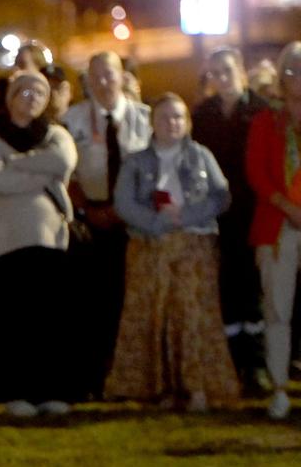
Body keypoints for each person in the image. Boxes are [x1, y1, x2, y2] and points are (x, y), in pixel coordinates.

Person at [106, 93, 238, 411]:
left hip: (195, 245)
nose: (172, 123)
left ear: (187, 122)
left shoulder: (201, 156)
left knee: (193, 316)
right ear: (153, 123)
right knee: (156, 316)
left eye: (178, 117)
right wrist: (155, 223)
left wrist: (190, 215)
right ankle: (159, 387)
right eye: (165, 117)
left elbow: (221, 196)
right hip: (149, 247)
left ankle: (197, 387)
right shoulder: (136, 162)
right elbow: (123, 203)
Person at [0, 70, 78, 417]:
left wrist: (16, 165)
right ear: (11, 97)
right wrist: (37, 172)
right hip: (5, 240)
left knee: (50, 317)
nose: (31, 98)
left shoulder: (55, 135)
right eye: (24, 91)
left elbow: (62, 162)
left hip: (49, 238)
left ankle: (51, 389)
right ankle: (16, 390)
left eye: (38, 92)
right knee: (14, 317)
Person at [62, 51, 152, 400]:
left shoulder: (144, 118)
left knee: (130, 300)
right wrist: (87, 209)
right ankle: (92, 377)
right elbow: (66, 172)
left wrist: (125, 209)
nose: (103, 82)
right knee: (92, 302)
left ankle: (131, 376)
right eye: (95, 75)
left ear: (122, 76)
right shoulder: (73, 120)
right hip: (91, 220)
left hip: (133, 222)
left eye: (109, 74)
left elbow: (153, 170)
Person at [191, 47, 272, 394]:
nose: (220, 78)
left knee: (252, 289)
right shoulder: (204, 114)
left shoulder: (260, 111)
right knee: (225, 288)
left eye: (226, 70)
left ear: (240, 69)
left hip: (254, 210)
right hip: (217, 213)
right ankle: (230, 363)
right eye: (213, 73)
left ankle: (255, 364)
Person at [246, 42, 301, 419]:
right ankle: (279, 387)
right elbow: (256, 172)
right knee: (277, 309)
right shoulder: (267, 120)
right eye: (291, 71)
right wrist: (287, 207)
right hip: (277, 226)